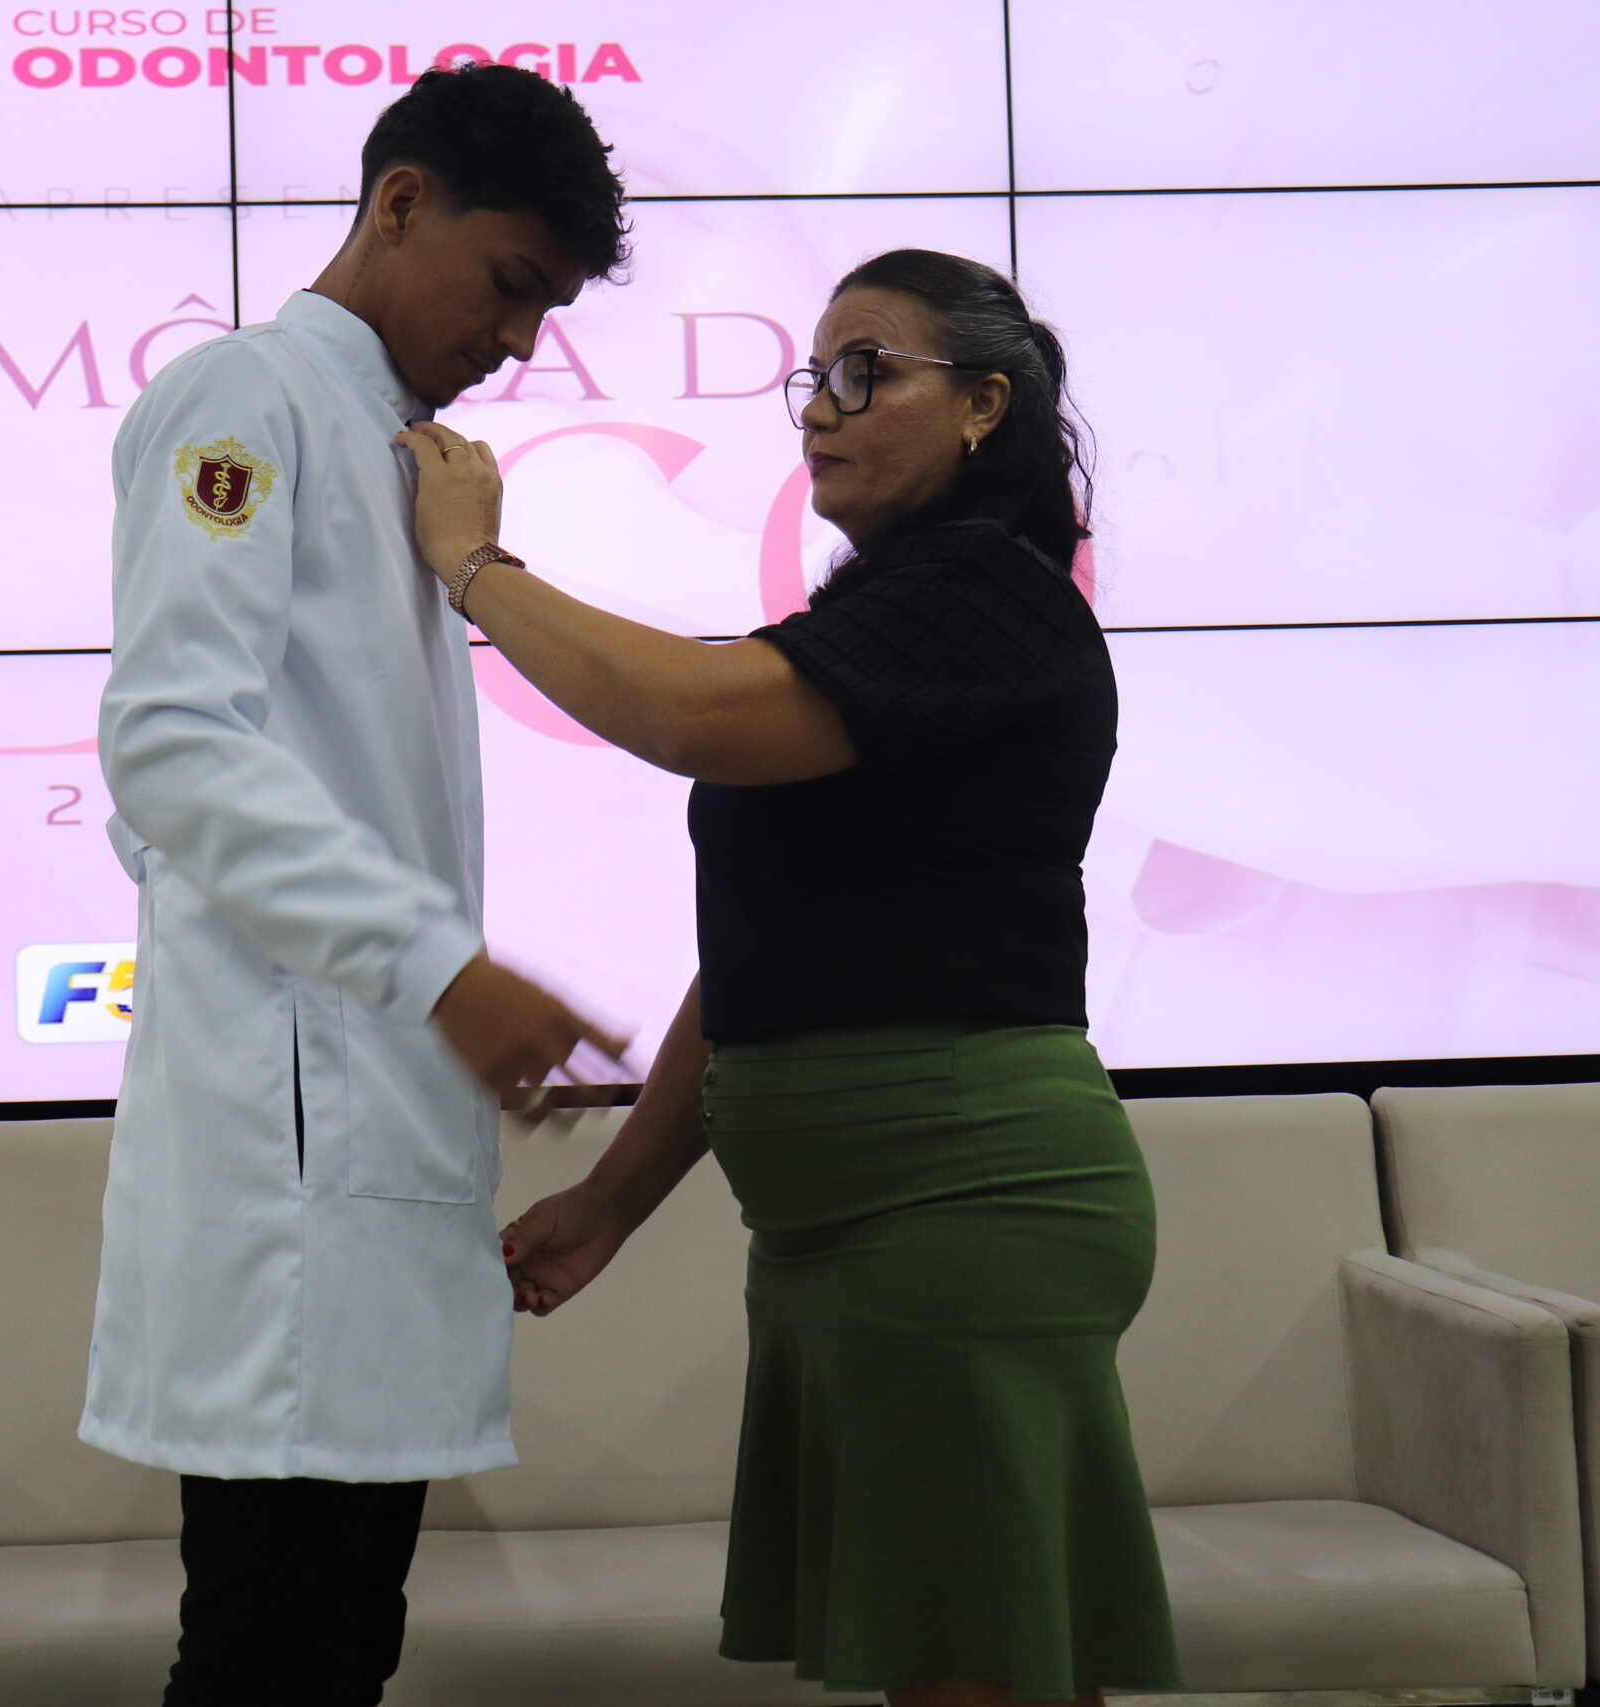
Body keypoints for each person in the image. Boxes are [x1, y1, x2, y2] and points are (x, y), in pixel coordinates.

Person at [393, 249, 1183, 1706]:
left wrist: (476, 565)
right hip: (842, 1233)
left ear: (983, 406)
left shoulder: (990, 597)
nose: (821, 407)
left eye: (867, 372)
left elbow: (691, 714)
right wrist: (610, 1204)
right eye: (816, 376)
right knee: (959, 1665)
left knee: (977, 1674)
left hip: (958, 1200)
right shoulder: (885, 610)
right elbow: (771, 954)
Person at [84, 63, 632, 1707]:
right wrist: (435, 964)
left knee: (333, 1646)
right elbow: (170, 747)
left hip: (368, 1130)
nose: (517, 340)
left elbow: (212, 795)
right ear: (400, 204)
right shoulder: (245, 398)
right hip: (292, 1159)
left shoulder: (409, 458)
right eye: (509, 283)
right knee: (277, 1657)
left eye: (546, 310)